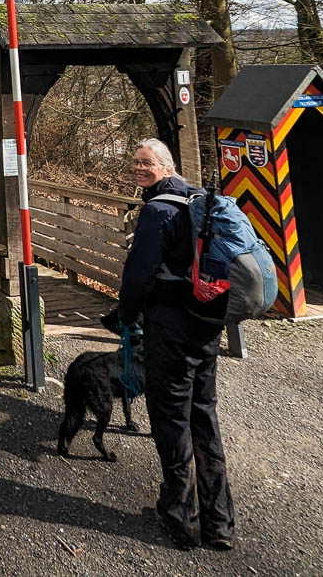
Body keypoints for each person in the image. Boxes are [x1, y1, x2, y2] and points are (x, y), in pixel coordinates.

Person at [109, 138, 235, 552]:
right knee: (204, 416)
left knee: (171, 418)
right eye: (134, 163)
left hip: (171, 330)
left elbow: (139, 273)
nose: (138, 169)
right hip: (206, 324)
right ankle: (220, 522)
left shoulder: (158, 211)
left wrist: (126, 315)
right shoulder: (198, 200)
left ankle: (181, 517)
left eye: (146, 163)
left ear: (165, 167)